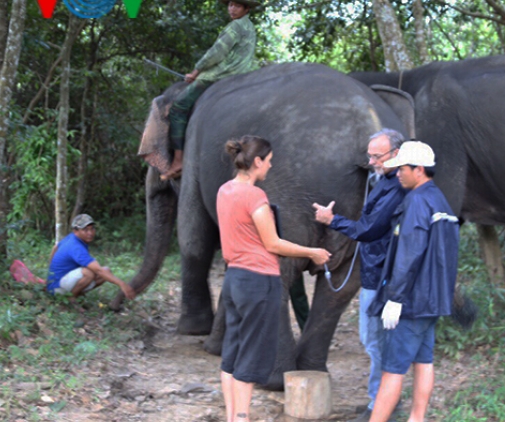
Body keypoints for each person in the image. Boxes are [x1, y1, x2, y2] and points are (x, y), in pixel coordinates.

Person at [217, 135, 331, 422]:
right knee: (251, 356)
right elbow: (273, 244)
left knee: (231, 354)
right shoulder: (255, 196)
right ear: (257, 162)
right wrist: (312, 252)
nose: (270, 166)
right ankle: (242, 417)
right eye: (268, 161)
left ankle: (232, 417)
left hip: (233, 280)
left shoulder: (224, 190)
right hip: (259, 282)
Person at [312, 128, 407, 421]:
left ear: (396, 154)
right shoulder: (384, 180)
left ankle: (383, 405)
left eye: (377, 156)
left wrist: (332, 221)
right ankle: (378, 400)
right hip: (372, 269)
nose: (372, 161)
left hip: (384, 274)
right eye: (369, 155)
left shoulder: (399, 187)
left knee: (377, 340)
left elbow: (369, 229)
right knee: (372, 339)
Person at [367, 141, 460, 422]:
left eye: (402, 169)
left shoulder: (417, 201)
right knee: (423, 361)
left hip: (411, 301)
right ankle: (417, 419)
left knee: (392, 369)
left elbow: (410, 252)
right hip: (432, 300)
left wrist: (395, 298)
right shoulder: (439, 199)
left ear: (419, 170)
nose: (397, 174)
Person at [162, 0, 261, 180]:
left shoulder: (235, 26)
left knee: (178, 107)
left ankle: (178, 160)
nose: (232, 9)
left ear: (246, 9)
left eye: (237, 6)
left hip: (222, 74)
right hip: (242, 75)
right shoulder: (250, 27)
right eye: (230, 5)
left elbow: (217, 52)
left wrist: (196, 71)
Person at [46, 214, 136, 300]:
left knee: (106, 271)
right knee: (89, 273)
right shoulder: (76, 247)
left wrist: (50, 269)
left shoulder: (71, 237)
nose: (90, 233)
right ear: (76, 231)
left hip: (60, 281)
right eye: (85, 230)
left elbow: (55, 247)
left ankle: (77, 294)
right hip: (56, 288)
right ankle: (71, 298)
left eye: (92, 229)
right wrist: (122, 284)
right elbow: (98, 270)